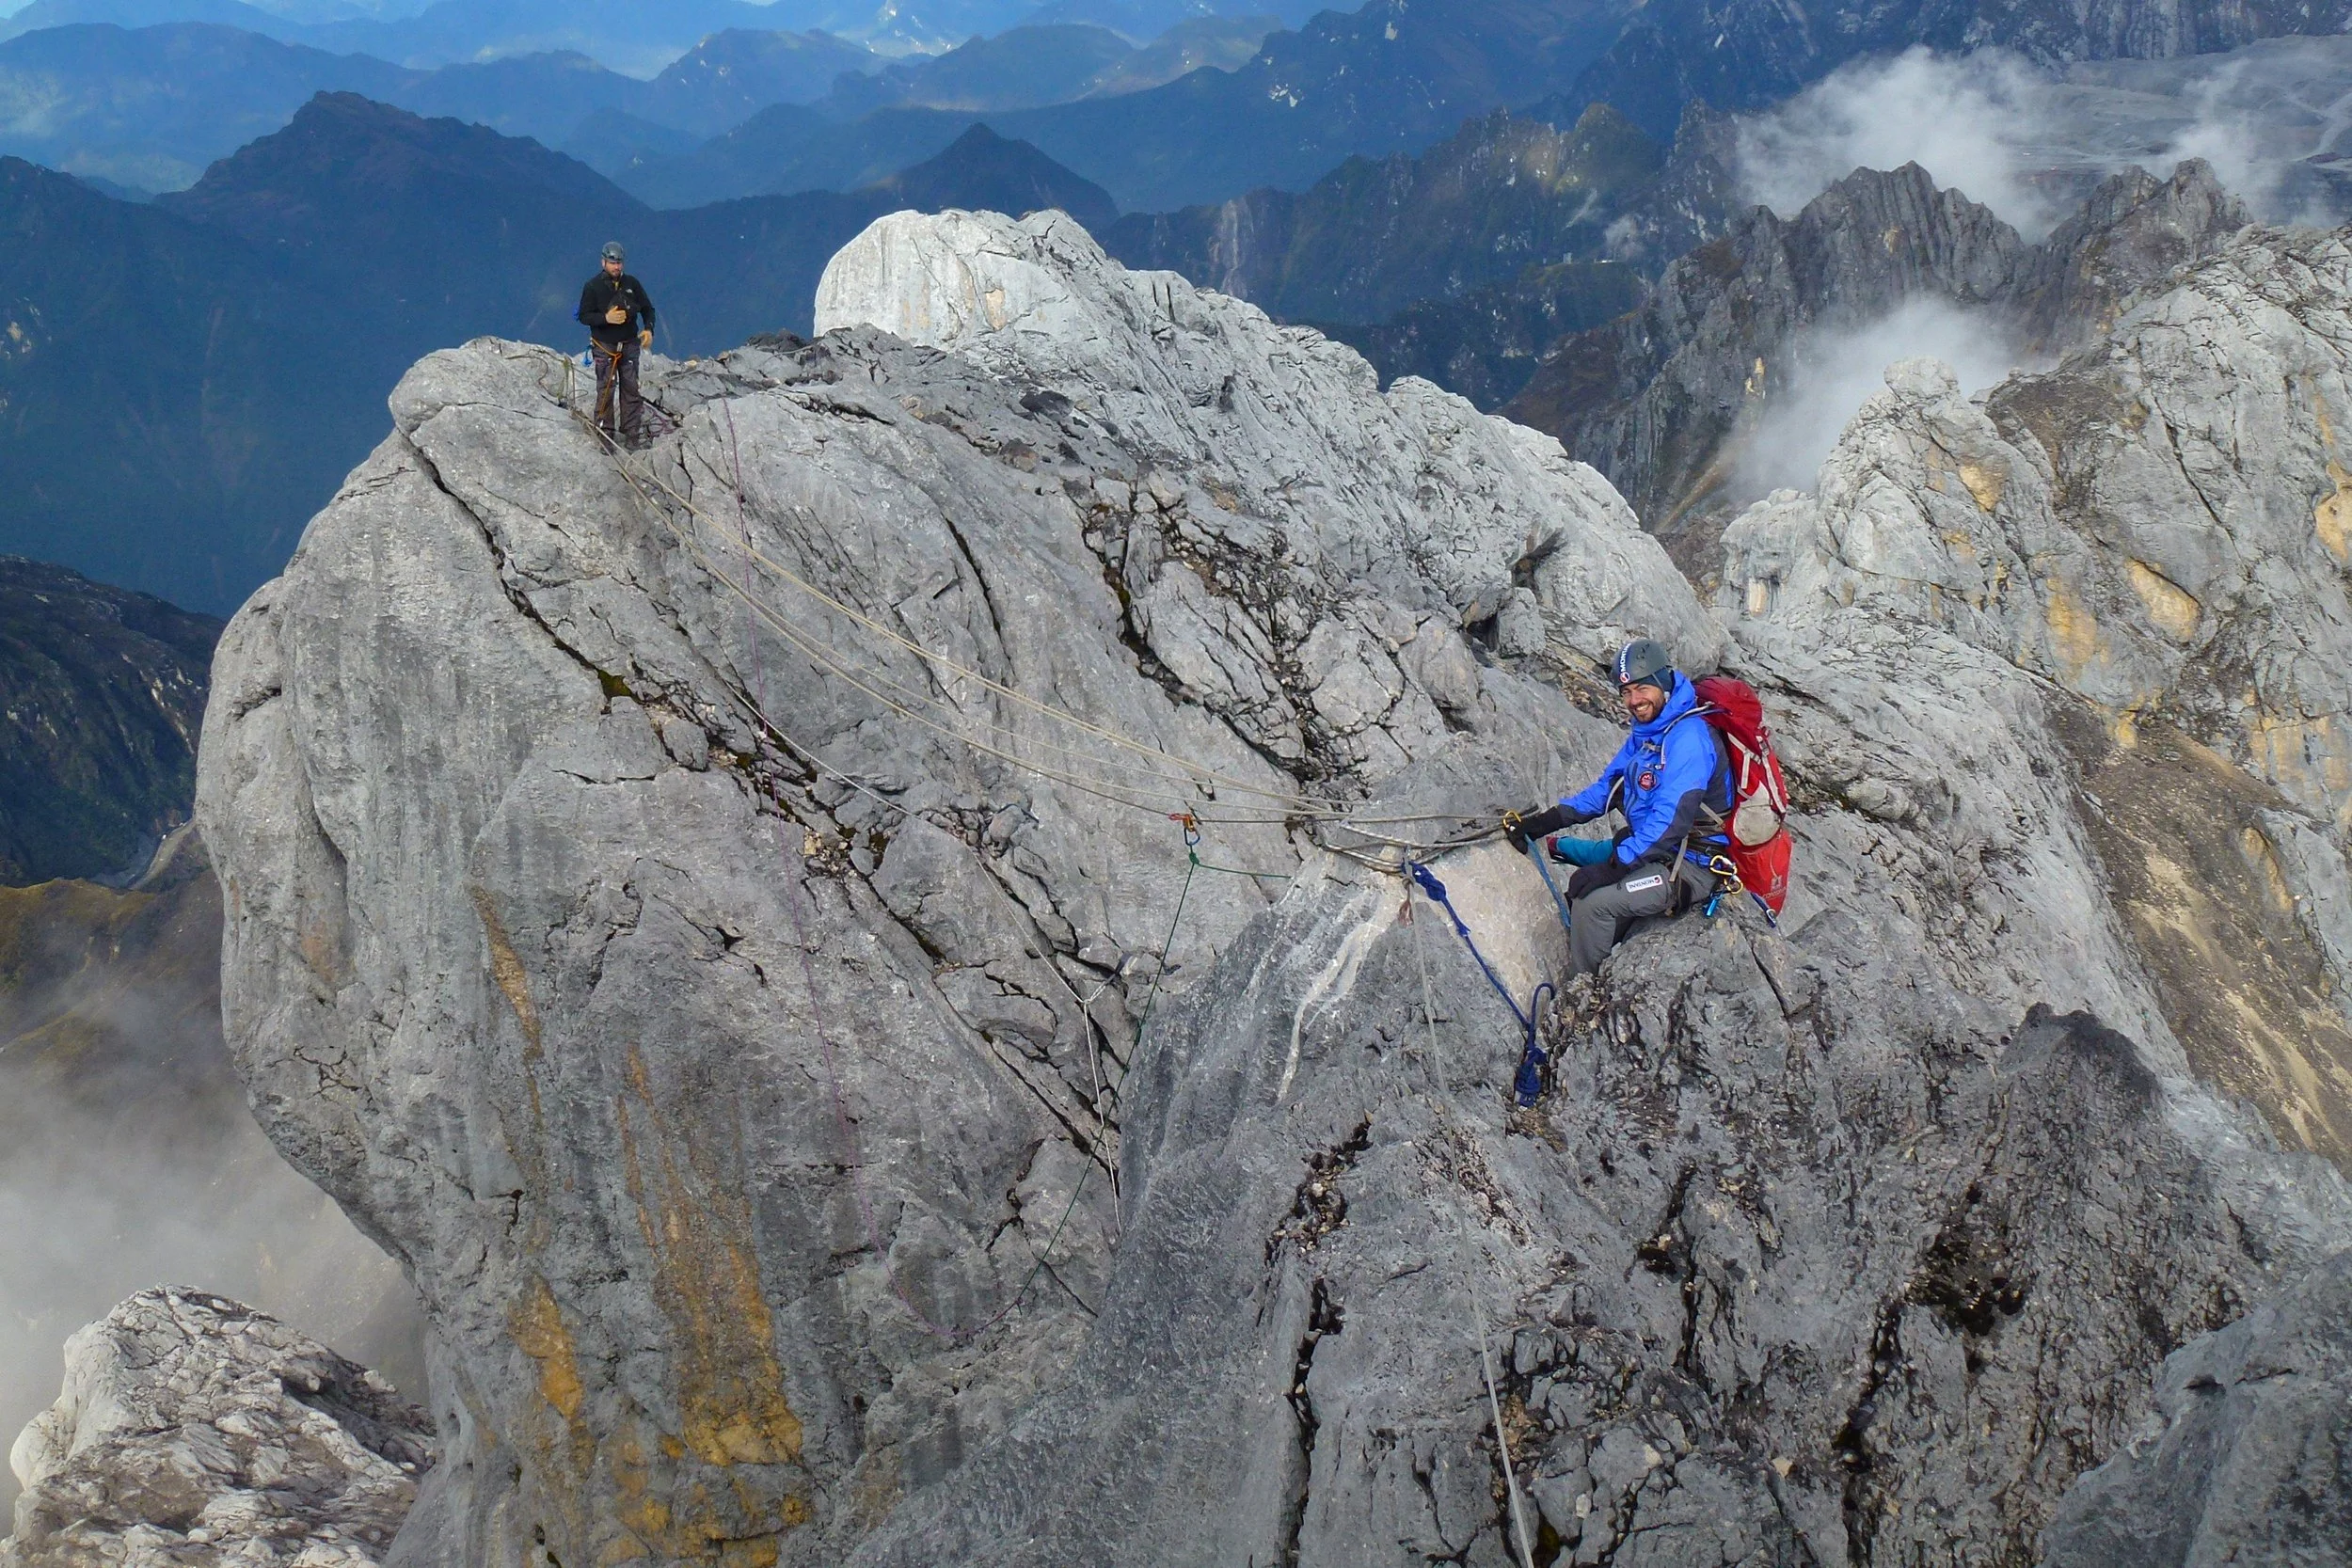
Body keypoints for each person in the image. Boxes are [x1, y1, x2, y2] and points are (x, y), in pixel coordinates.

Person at [1506, 638, 1733, 976]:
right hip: (1661, 851)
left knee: (1593, 905)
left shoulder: (1690, 741)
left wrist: (1617, 867)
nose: (1633, 701)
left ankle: (1585, 991)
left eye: (1641, 689)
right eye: (1626, 692)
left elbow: (1670, 823)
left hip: (1692, 867)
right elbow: (1607, 790)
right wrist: (1543, 823)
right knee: (1596, 859)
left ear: (1663, 681)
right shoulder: (1649, 733)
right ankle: (1565, 856)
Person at [577, 241, 656, 445]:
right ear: (603, 262)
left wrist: (648, 328)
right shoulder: (593, 287)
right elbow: (584, 316)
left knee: (631, 389)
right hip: (605, 347)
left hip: (629, 344)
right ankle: (605, 435)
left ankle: (631, 434)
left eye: (619, 262)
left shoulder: (632, 284)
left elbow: (647, 308)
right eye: (612, 262)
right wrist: (606, 319)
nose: (617, 267)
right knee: (606, 390)